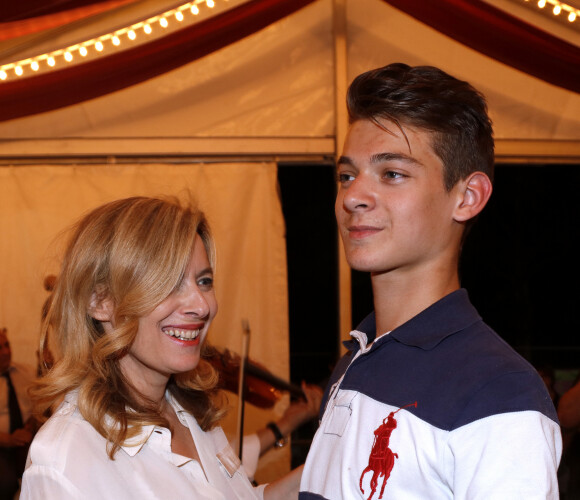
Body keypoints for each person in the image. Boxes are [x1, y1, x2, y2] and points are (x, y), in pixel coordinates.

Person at [299, 63, 562, 499]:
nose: (351, 196)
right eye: (347, 176)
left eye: (392, 174)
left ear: (467, 197)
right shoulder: (357, 356)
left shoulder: (498, 391)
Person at [21, 195, 301, 499]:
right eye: (168, 281)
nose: (202, 305)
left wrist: (320, 468)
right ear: (100, 302)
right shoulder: (64, 463)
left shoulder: (187, 411)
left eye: (204, 281)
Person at [0, 328, 37, 499]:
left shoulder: (25, 372)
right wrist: (8, 439)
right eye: (0, 348)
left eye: (7, 345)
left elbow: (39, 405)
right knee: (6, 483)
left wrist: (30, 426)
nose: (7, 352)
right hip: (2, 444)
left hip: (27, 440)